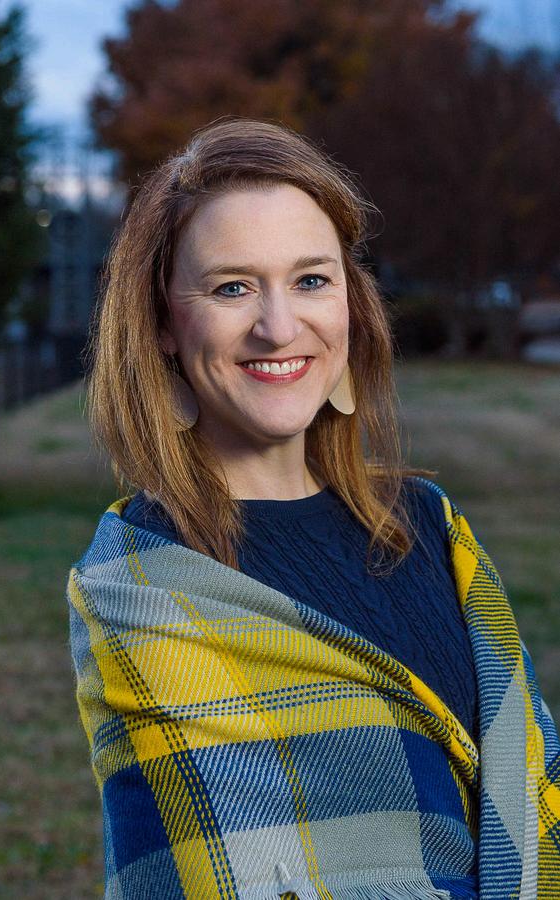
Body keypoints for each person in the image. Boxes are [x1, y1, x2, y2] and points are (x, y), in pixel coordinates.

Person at [66, 117, 559, 900]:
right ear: (162, 322)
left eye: (310, 281)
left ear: (350, 303)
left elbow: (530, 784)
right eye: (232, 287)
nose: (278, 327)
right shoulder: (143, 584)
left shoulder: (430, 527)